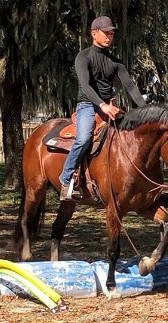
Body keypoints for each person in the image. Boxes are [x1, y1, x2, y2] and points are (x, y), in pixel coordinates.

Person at [59, 15, 146, 201]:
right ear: (93, 33)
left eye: (111, 34)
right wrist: (102, 106)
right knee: (83, 139)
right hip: (87, 105)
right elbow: (86, 85)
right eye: (105, 33)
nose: (109, 37)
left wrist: (148, 110)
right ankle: (66, 178)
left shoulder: (116, 62)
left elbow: (131, 87)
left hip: (110, 106)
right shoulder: (84, 56)